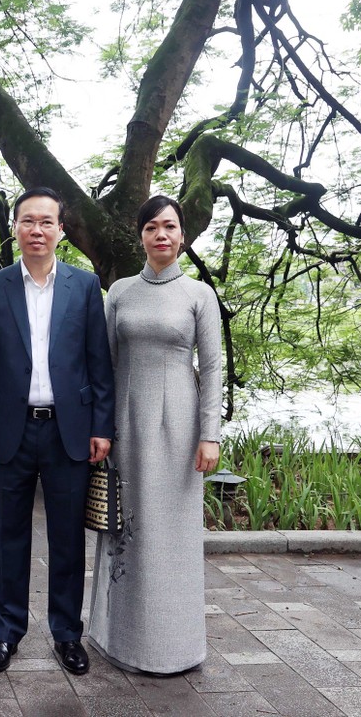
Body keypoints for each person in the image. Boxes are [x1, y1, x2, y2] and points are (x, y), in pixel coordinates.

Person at [0, 187, 115, 676]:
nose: (36, 230)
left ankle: (67, 634)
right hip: (11, 428)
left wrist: (101, 426)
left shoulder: (85, 286)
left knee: (67, 538)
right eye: (27, 221)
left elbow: (99, 363)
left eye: (46, 222)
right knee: (8, 536)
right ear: (15, 227)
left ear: (61, 230)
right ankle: (5, 633)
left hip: (67, 431)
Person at [87, 194, 222, 675]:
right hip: (125, 424)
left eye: (169, 226)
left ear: (182, 235)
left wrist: (211, 434)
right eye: (151, 227)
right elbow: (101, 365)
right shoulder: (120, 291)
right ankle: (118, 639)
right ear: (141, 235)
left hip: (180, 428)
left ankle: (174, 645)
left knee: (172, 536)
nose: (160, 234)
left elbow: (212, 367)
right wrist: (100, 428)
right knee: (125, 530)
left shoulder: (199, 294)